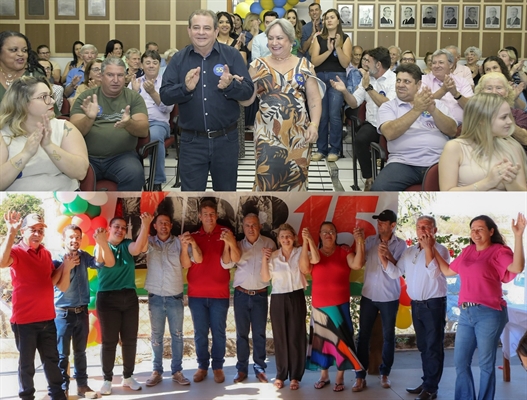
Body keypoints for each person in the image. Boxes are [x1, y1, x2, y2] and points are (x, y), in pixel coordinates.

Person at [434, 214, 526, 400]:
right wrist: (432, 249)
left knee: (485, 364)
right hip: (466, 313)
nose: (475, 233)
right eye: (473, 229)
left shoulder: (499, 251)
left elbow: (517, 268)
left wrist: (518, 236)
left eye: (480, 229)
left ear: (491, 231)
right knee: (460, 362)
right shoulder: (468, 251)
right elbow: (447, 271)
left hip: (489, 313)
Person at [160, 9, 254, 192]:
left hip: (226, 140)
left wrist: (230, 86)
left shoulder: (232, 55)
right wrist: (185, 88)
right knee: (191, 204)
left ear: (216, 31)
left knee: (226, 200)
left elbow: (248, 91)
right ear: (189, 31)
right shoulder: (178, 59)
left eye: (206, 28)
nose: (201, 32)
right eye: (196, 27)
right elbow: (165, 95)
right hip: (191, 142)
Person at [240, 19, 324, 191]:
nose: (274, 43)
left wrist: (314, 125)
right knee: (266, 179)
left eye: (279, 38)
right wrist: (236, 88)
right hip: (267, 134)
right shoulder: (257, 65)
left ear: (291, 40)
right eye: (270, 38)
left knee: (296, 178)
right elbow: (247, 101)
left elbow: (314, 99)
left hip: (298, 134)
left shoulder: (305, 65)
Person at [0, 211, 71, 400]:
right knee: (27, 366)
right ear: (23, 231)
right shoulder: (16, 251)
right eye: (33, 230)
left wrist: (65, 266)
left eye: (41, 230)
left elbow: (52, 281)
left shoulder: (46, 253)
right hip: (24, 322)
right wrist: (10, 233)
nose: (38, 234)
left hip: (48, 319)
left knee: (53, 363)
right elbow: (1, 262)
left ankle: (58, 396)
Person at [370, 63, 457, 191]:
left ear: (418, 85)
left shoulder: (437, 104)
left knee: (461, 192)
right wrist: (417, 109)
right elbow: (389, 133)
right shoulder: (388, 107)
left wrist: (433, 111)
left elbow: (453, 130)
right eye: (398, 80)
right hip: (403, 163)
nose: (400, 85)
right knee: (379, 192)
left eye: (406, 81)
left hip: (438, 162)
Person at [53, 224, 115, 398]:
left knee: (80, 352)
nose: (75, 240)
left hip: (81, 312)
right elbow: (60, 286)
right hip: (62, 313)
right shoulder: (56, 258)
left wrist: (101, 242)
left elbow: (99, 263)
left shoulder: (83, 256)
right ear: (63, 239)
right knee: (62, 354)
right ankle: (62, 389)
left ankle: (82, 386)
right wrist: (67, 266)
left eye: (78, 237)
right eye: (71, 237)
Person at [70, 57, 149, 191]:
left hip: (122, 157)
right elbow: (73, 133)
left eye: (120, 75)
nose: (116, 80)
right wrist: (89, 118)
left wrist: (128, 123)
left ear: (125, 77)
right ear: (101, 76)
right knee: (70, 173)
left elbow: (143, 131)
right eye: (110, 75)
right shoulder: (86, 97)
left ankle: (125, 211)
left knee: (134, 173)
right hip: (87, 156)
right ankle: (83, 211)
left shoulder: (133, 98)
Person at [185, 199, 241, 384]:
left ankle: (217, 367)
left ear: (216, 215)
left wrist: (230, 241)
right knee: (200, 333)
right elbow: (186, 262)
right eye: (205, 214)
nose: (209, 217)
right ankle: (202, 367)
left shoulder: (226, 233)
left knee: (219, 332)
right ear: (199, 216)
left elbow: (235, 258)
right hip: (196, 295)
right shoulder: (193, 236)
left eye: (212, 214)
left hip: (220, 295)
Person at [305, 222, 365, 392]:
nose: (328, 234)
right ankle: (324, 376)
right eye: (324, 232)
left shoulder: (344, 251)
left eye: (331, 231)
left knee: (342, 343)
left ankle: (340, 377)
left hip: (340, 307)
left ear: (336, 234)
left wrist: (359, 242)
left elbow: (357, 265)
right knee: (322, 343)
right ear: (319, 235)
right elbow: (304, 269)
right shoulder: (313, 254)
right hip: (319, 307)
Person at [142, 213, 202, 387]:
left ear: (171, 225)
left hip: (175, 296)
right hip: (155, 297)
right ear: (155, 226)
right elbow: (139, 248)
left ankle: (177, 371)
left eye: (167, 223)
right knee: (156, 336)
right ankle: (156, 371)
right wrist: (144, 225)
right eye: (160, 223)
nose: (164, 226)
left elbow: (187, 264)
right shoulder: (149, 241)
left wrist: (185, 247)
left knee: (177, 335)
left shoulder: (178, 241)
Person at [97, 212, 153, 395]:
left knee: (130, 340)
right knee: (109, 341)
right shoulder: (101, 246)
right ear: (109, 229)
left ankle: (128, 376)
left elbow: (137, 249)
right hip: (107, 299)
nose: (120, 230)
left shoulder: (127, 245)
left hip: (129, 298)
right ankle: (107, 380)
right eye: (116, 227)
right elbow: (109, 263)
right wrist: (102, 241)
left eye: (123, 228)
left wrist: (145, 224)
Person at [0, 76, 89, 191]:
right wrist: (26, 153)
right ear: (23, 103)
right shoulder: (3, 134)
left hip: (63, 201)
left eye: (51, 96)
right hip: (17, 204)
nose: (52, 101)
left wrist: (49, 146)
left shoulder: (65, 128)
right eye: (44, 97)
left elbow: (80, 173)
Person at [353, 209, 407, 392]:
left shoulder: (401, 245)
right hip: (368, 296)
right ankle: (360, 376)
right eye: (379, 222)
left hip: (389, 298)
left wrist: (387, 255)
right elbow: (359, 261)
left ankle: (385, 374)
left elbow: (400, 269)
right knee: (363, 337)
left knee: (388, 337)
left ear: (393, 225)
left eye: (384, 222)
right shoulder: (369, 241)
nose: (380, 225)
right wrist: (359, 241)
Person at [397, 216, 450, 400]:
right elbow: (396, 271)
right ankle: (427, 381)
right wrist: (384, 257)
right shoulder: (410, 252)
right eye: (419, 227)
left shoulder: (441, 250)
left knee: (433, 347)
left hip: (433, 304)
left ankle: (431, 388)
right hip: (416, 305)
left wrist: (429, 248)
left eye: (426, 226)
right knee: (423, 346)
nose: (422, 230)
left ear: (434, 230)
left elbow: (434, 273)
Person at [261, 224, 319, 390]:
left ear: (294, 238)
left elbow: (315, 259)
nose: (285, 239)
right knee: (280, 337)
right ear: (278, 240)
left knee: (296, 336)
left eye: (288, 236)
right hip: (278, 298)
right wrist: (264, 260)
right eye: (282, 237)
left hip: (296, 295)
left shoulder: (301, 252)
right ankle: (280, 374)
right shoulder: (272, 256)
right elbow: (265, 278)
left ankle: (295, 376)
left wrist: (308, 240)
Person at [331, 46, 396, 191]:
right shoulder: (367, 78)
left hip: (390, 124)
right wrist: (344, 91)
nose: (366, 65)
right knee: (359, 139)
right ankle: (369, 178)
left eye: (369, 62)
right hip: (373, 124)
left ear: (378, 65)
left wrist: (369, 88)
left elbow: (388, 105)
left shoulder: (394, 80)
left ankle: (389, 180)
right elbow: (354, 102)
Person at [439, 93, 527, 191]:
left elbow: (523, 197)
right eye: (503, 117)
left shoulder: (513, 147)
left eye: (509, 116)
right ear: (482, 120)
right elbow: (446, 194)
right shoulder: (454, 147)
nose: (510, 122)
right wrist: (487, 183)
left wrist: (509, 182)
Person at [229, 213, 276, 383]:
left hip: (260, 295)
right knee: (241, 334)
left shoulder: (269, 244)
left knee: (259, 333)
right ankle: (241, 369)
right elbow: (227, 263)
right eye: (247, 225)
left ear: (260, 226)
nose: (251, 228)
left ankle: (260, 369)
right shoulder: (238, 245)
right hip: (241, 295)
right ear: (243, 227)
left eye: (254, 225)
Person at [310, 9, 351, 162]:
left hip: (337, 78)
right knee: (322, 115)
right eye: (326, 18)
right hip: (320, 77)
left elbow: (345, 63)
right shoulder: (319, 38)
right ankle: (321, 149)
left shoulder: (345, 38)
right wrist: (329, 51)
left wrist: (338, 47)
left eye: (332, 17)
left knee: (334, 115)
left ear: (338, 20)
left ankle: (335, 149)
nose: (329, 20)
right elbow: (314, 61)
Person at [129, 50, 174, 191]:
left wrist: (153, 93)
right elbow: (125, 108)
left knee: (154, 137)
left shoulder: (167, 83)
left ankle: (156, 181)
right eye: (147, 63)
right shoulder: (134, 83)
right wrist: (134, 92)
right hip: (136, 122)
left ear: (159, 65)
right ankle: (131, 178)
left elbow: (168, 109)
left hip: (158, 123)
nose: (151, 66)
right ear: (142, 65)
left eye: (155, 63)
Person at [421, 48, 473, 125]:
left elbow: (471, 108)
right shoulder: (423, 80)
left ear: (451, 65)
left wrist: (456, 94)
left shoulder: (462, 81)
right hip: (433, 126)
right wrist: (443, 90)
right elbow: (423, 104)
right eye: (434, 63)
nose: (436, 66)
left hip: (462, 127)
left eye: (441, 62)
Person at [475, 72, 527, 145]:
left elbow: (525, 139)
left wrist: (505, 116)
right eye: (489, 88)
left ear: (506, 92)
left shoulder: (517, 114)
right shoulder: (475, 113)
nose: (494, 92)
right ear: (481, 92)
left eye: (499, 88)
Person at [0, 31, 47, 102]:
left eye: (24, 50)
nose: (21, 54)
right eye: (14, 50)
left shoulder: (35, 74)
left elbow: (48, 106)